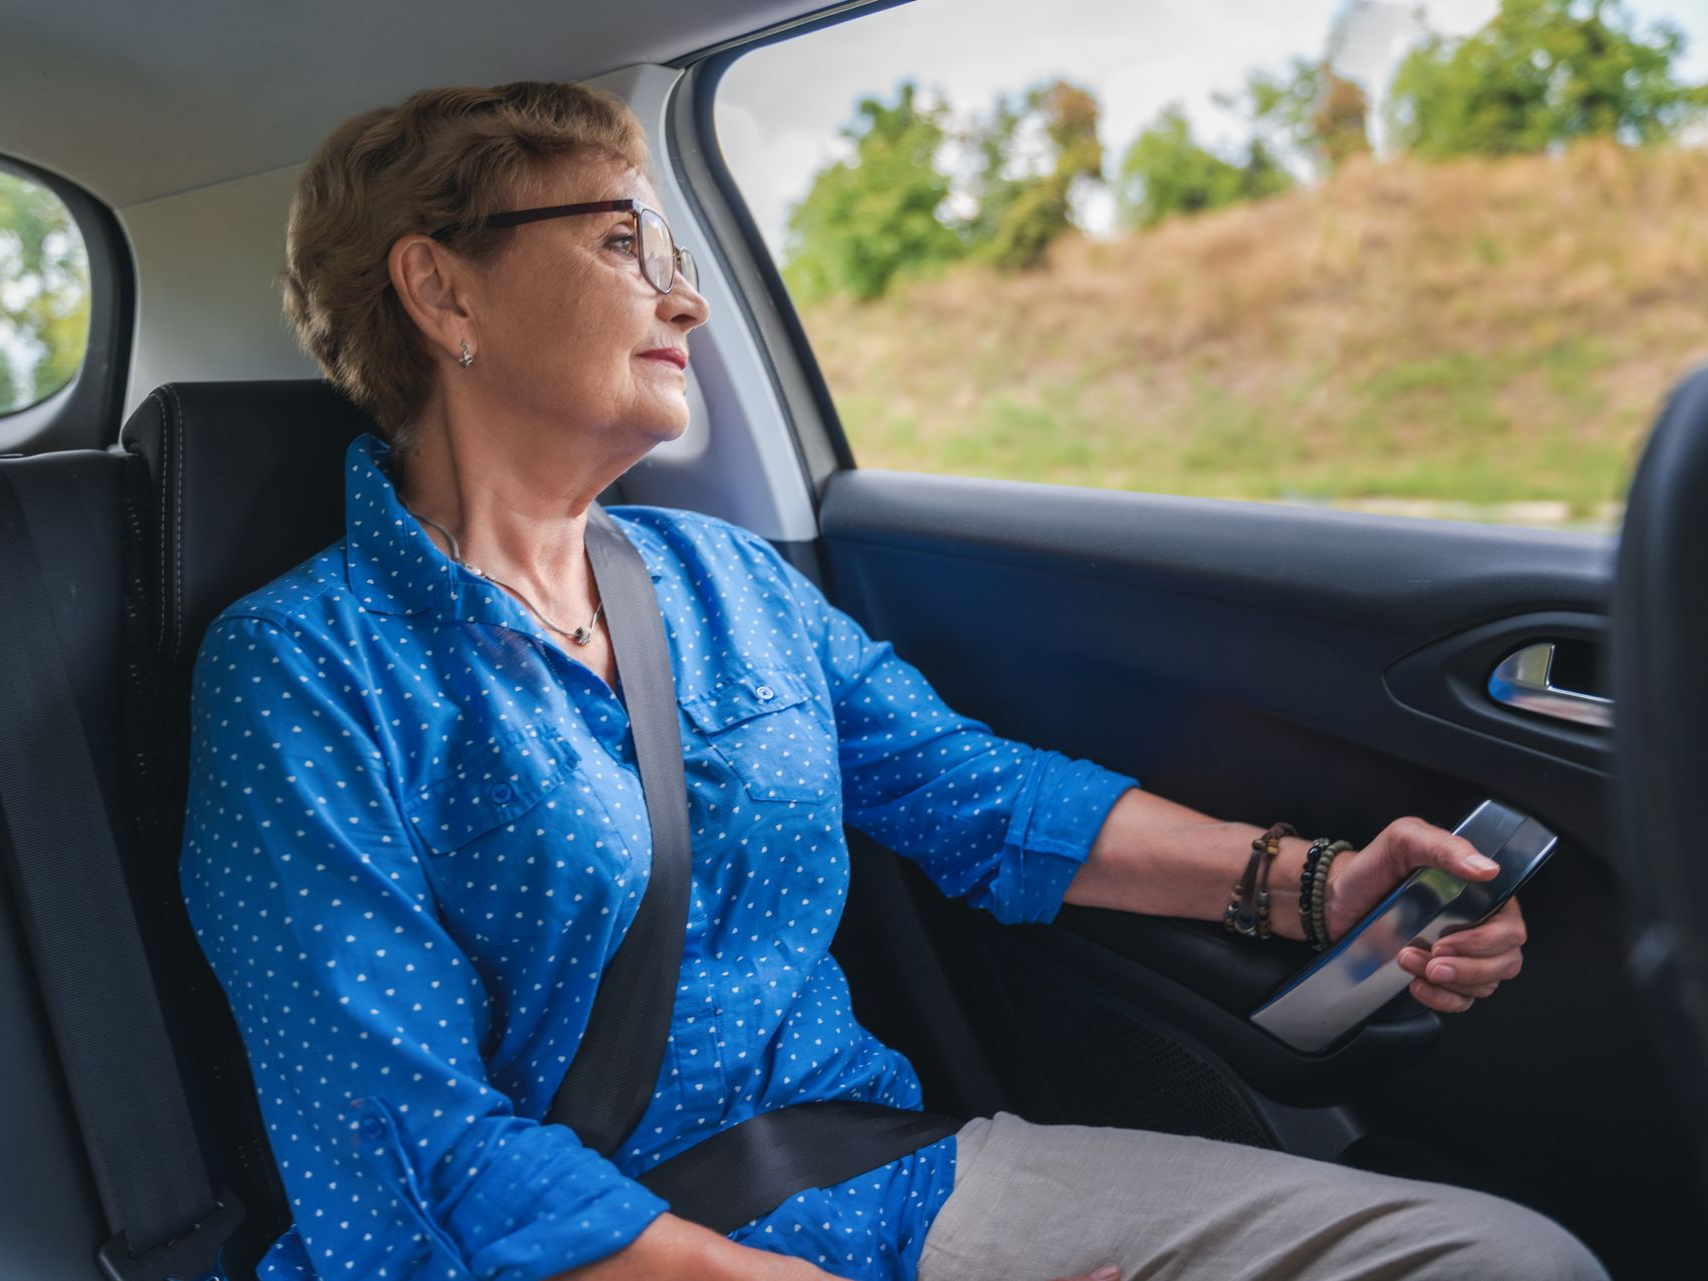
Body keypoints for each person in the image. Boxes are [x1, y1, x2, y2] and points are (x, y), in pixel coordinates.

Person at [178, 80, 1609, 1281]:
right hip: (561, 1254)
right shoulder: (302, 669)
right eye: (624, 242)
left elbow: (978, 797)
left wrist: (1312, 885)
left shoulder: (720, 581)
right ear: (438, 285)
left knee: (1502, 1262)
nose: (686, 296)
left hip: (890, 1180)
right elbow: (405, 1146)